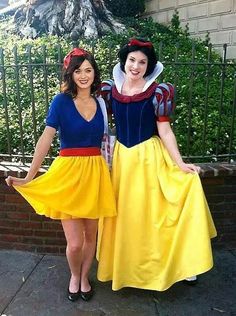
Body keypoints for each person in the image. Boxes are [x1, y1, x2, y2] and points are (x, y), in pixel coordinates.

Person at [96, 38, 217, 291]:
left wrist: (181, 163)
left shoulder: (158, 91)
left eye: (142, 62)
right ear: (124, 62)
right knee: (127, 216)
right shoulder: (110, 90)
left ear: (148, 66)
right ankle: (129, 267)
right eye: (132, 60)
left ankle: (183, 263)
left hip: (149, 159)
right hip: (122, 161)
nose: (136, 66)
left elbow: (165, 130)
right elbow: (101, 125)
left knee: (156, 214)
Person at [5, 47, 116, 302]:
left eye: (88, 70)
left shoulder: (101, 102)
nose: (84, 75)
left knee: (91, 236)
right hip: (68, 174)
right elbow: (46, 139)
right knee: (75, 243)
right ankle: (73, 275)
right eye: (78, 70)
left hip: (95, 174)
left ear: (94, 73)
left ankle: (84, 276)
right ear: (70, 73)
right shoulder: (61, 102)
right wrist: (30, 177)